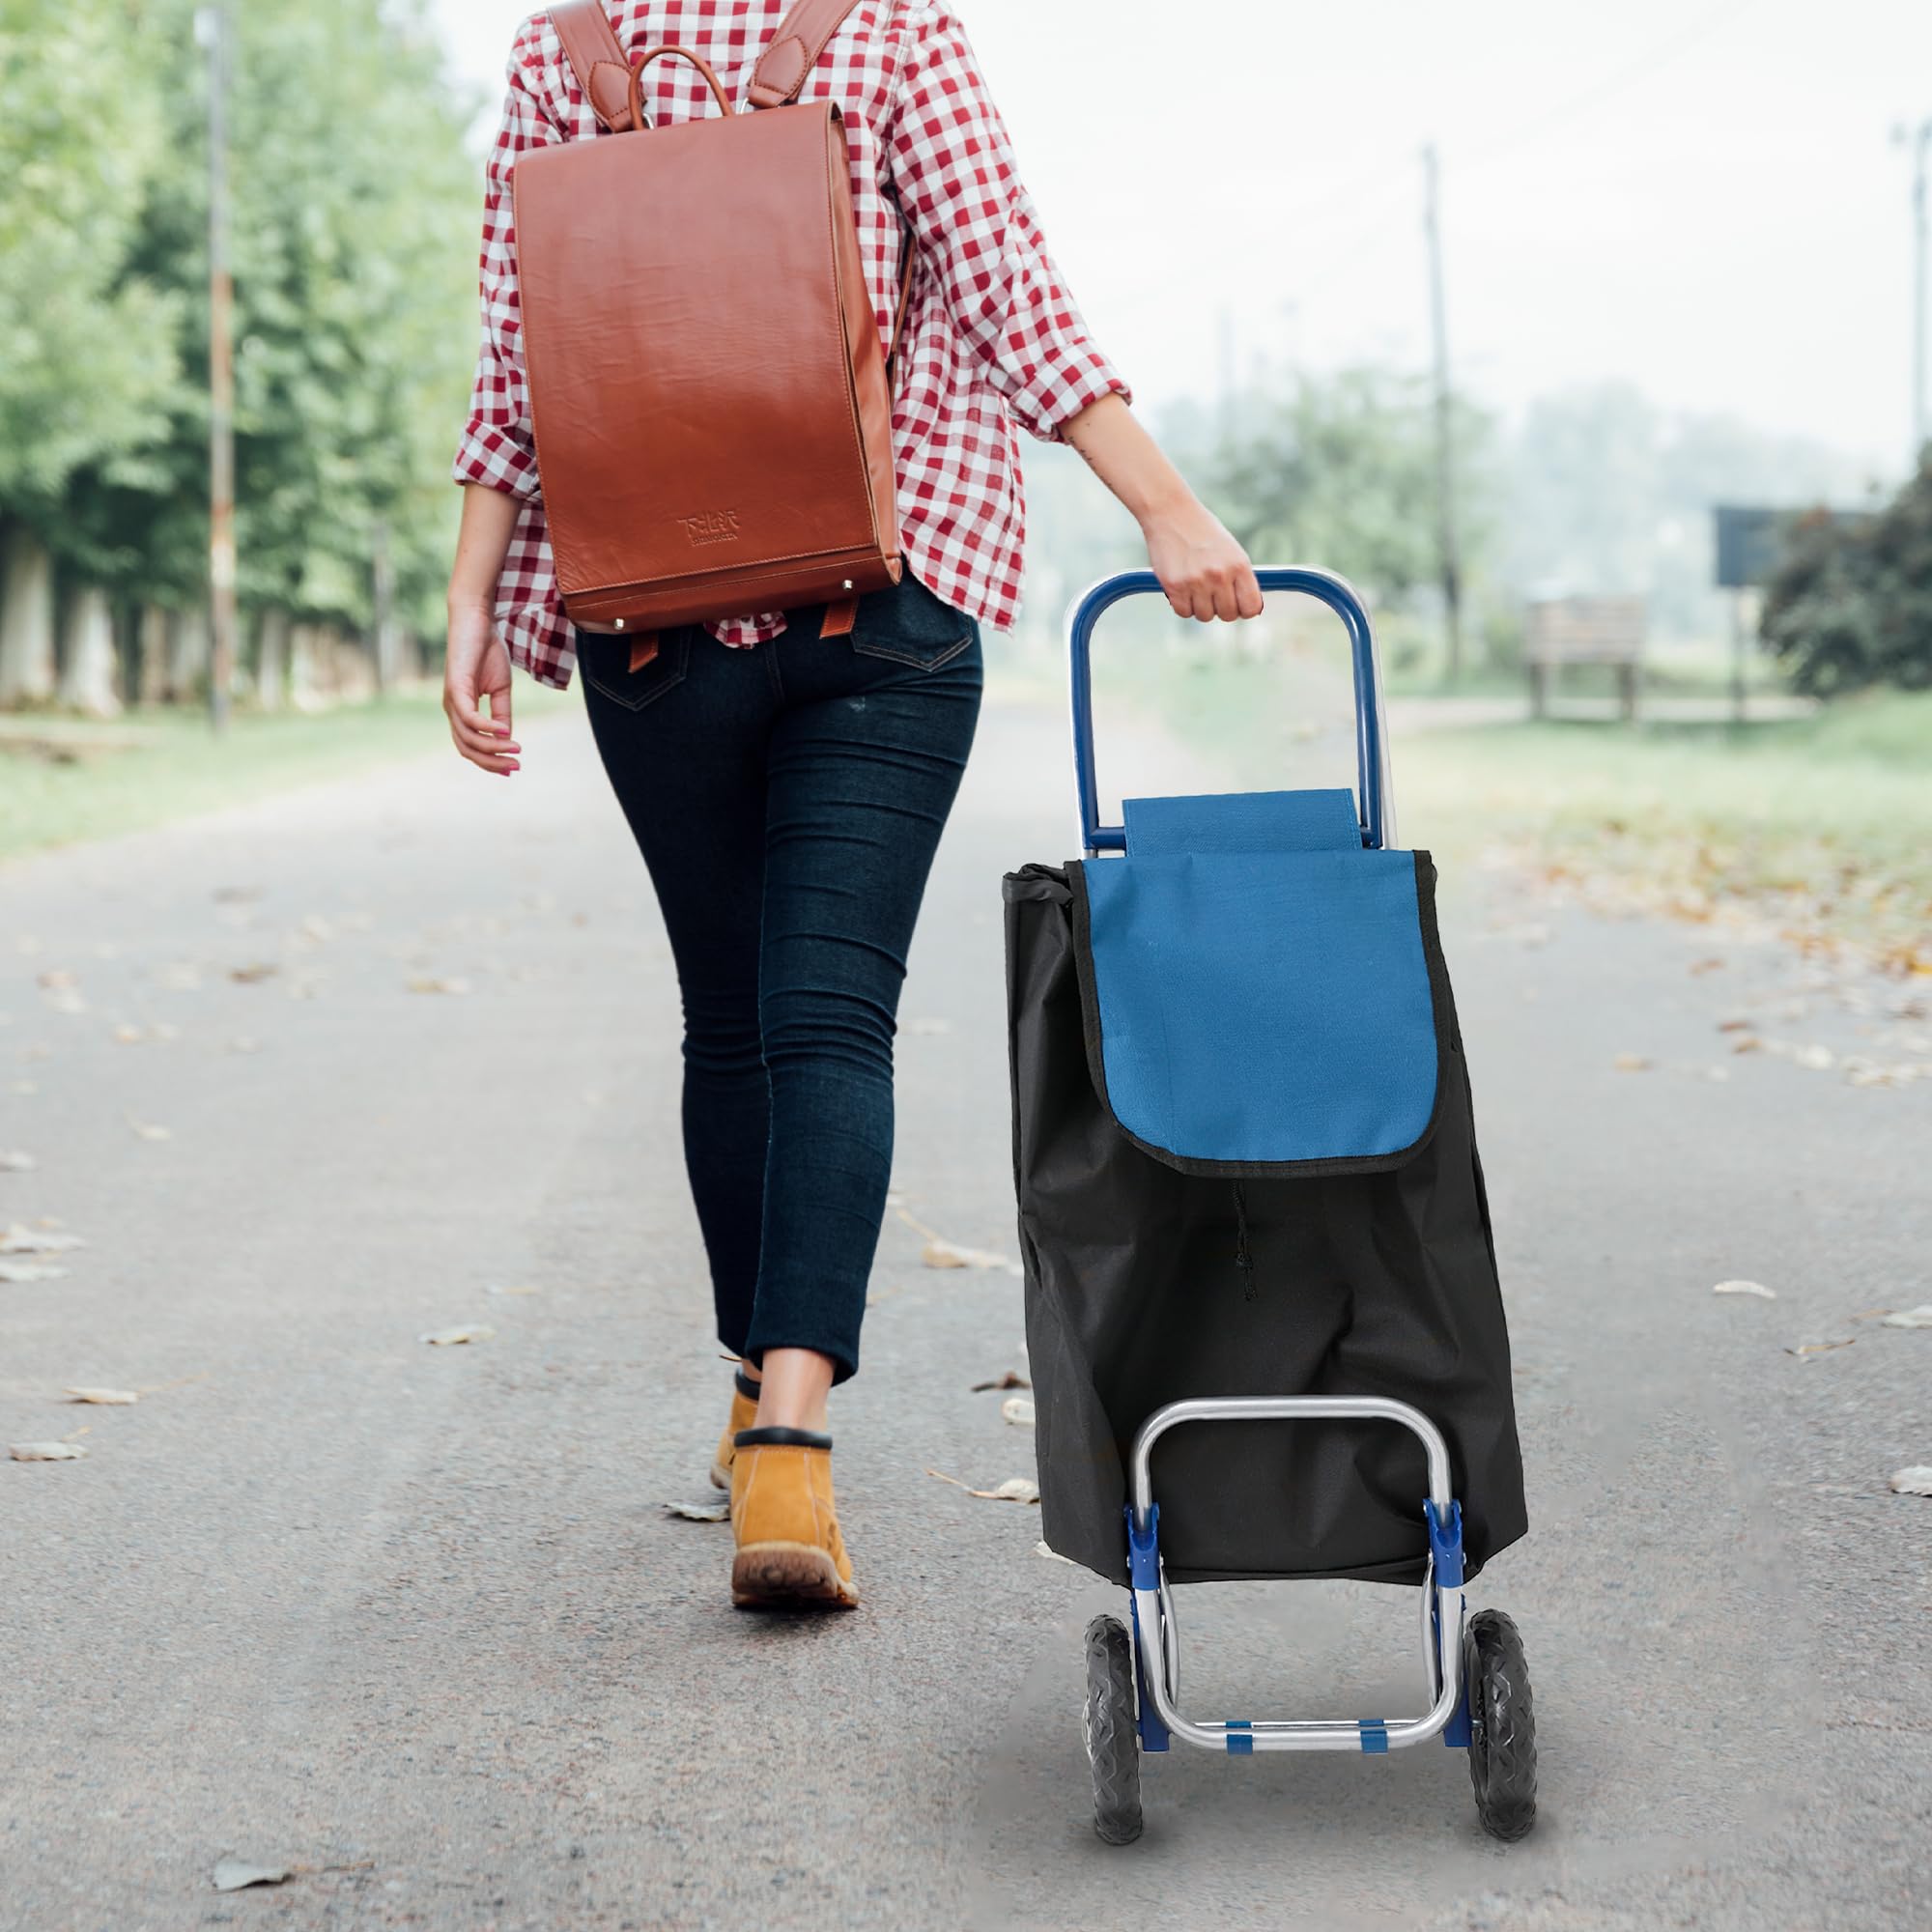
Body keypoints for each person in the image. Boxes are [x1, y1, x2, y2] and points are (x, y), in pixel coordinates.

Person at [443, 0, 1260, 1611]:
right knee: (825, 1021)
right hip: (880, 606)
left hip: (647, 613)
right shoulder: (888, 32)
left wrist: (470, 596)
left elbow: (519, 355)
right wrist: (1168, 510)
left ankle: (767, 1405)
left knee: (733, 1023)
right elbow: (1014, 290)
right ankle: (790, 1462)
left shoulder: (566, 48)